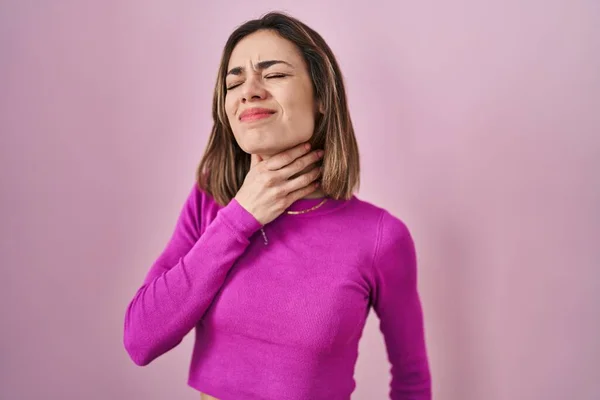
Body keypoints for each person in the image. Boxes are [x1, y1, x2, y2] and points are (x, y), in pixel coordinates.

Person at [123, 11, 431, 400]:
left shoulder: (380, 236)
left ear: (321, 97)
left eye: (274, 74)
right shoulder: (210, 204)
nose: (249, 90)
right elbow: (140, 340)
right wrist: (239, 217)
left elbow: (412, 378)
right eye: (234, 82)